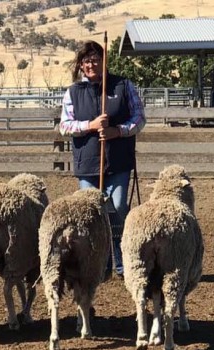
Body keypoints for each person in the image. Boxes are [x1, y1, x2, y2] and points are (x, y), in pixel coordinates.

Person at [59, 40, 146, 276]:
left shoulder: (122, 86)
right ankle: (100, 263)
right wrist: (91, 125)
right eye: (86, 61)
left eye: (95, 59)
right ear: (80, 65)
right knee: (92, 213)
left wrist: (117, 131)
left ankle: (121, 261)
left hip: (117, 160)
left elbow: (139, 118)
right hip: (88, 164)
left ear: (104, 61)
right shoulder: (74, 92)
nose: (91, 64)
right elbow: (65, 126)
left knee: (117, 207)